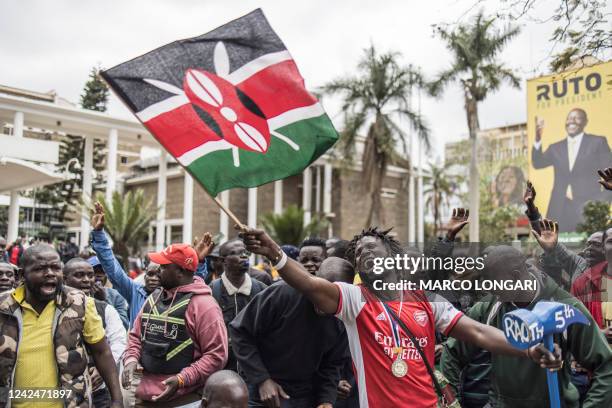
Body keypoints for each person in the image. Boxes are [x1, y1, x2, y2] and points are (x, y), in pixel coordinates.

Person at [239, 208, 562, 408]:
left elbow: (478, 331)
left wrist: (527, 349)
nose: (364, 253)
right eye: (359, 252)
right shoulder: (353, 299)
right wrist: (274, 253)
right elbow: (309, 285)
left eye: (372, 248)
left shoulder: (425, 299)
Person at [441, 245, 612, 408]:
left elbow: (606, 366)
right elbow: (452, 352)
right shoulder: (489, 307)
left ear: (515, 276)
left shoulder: (565, 307)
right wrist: (450, 399)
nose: (491, 290)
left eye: (494, 283)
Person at [0, 244, 123, 407]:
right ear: (22, 274)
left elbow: (102, 352)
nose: (49, 273)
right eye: (40, 268)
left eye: (55, 268)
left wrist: (117, 400)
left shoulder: (80, 303)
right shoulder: (4, 306)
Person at [122, 243, 228, 407]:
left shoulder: (205, 306)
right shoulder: (154, 298)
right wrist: (130, 361)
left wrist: (181, 379)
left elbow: (216, 355)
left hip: (184, 400)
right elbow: (135, 336)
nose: (157, 271)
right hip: (143, 397)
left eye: (163, 267)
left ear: (180, 272)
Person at [229, 271, 347, 407]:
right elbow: (239, 330)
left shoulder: (344, 316)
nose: (325, 300)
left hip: (305, 394)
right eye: (322, 292)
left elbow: (332, 364)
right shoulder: (282, 293)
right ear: (314, 283)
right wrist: (262, 379)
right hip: (261, 390)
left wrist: (326, 400)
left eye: (333, 296)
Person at [89, 202, 211, 327]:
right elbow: (112, 267)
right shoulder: (134, 291)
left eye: (159, 273)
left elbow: (192, 282)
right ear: (144, 274)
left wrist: (198, 262)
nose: (154, 278)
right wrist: (99, 234)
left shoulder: (177, 295)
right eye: (150, 274)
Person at [532, 109, 610, 232]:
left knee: (591, 246)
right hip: (558, 209)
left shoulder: (598, 142)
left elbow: (609, 174)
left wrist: (601, 204)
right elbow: (538, 163)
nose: (571, 121)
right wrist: (537, 139)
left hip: (588, 208)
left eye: (577, 117)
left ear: (585, 122)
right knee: (556, 247)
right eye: (569, 118)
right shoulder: (555, 148)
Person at [63, 257, 127, 408]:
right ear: (64, 279)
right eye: (79, 275)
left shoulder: (105, 309)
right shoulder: (55, 308)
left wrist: (101, 370)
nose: (86, 280)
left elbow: (118, 341)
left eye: (90, 275)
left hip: (98, 391)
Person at [211, 239, 268, 371]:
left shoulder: (262, 290)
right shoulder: (212, 291)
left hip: (255, 369)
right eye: (235, 253)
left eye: (245, 252)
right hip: (221, 369)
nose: (243, 256)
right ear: (223, 260)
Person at [316, 257, 359, 408]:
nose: (326, 297)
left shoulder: (354, 311)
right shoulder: (286, 296)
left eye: (334, 293)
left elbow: (334, 362)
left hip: (351, 390)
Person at [88, 255, 130, 329]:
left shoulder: (116, 296)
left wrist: (104, 300)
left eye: (102, 272)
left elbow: (124, 325)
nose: (99, 275)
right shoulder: (81, 294)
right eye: (94, 271)